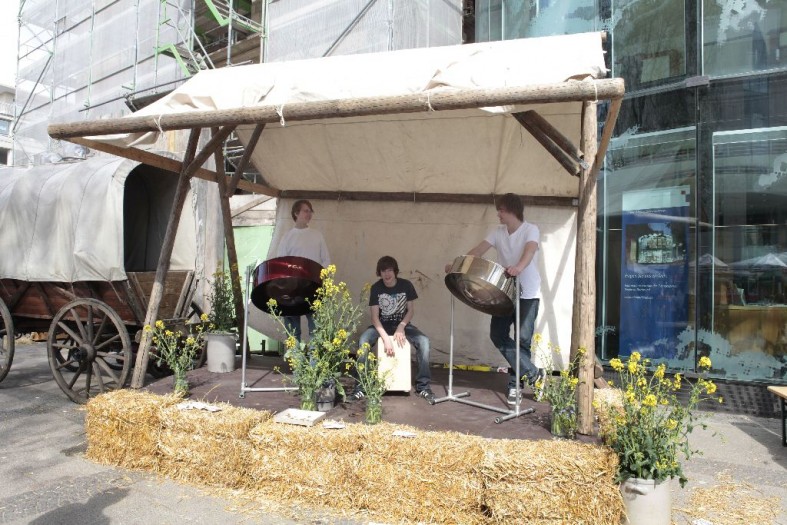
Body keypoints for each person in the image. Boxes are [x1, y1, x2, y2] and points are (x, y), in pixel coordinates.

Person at [445, 193, 545, 405]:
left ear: (512, 210)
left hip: (528, 292)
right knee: (497, 334)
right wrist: (457, 265)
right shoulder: (498, 232)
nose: (498, 214)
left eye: (501, 210)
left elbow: (530, 250)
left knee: (523, 340)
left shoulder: (531, 229)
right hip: (506, 292)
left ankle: (515, 385)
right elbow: (477, 251)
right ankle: (534, 374)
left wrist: (519, 267)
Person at [351, 256, 434, 402]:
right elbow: (375, 318)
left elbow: (410, 311)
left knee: (424, 342)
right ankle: (361, 388)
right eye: (383, 271)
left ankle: (423, 387)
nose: (387, 274)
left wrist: (401, 327)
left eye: (390, 270)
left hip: (402, 325)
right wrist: (386, 339)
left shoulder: (406, 285)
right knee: (363, 340)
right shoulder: (376, 288)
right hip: (381, 325)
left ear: (395, 271)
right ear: (379, 272)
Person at [276, 199, 330, 341]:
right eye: (306, 211)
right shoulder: (287, 237)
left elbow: (326, 260)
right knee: (293, 331)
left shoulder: (317, 235)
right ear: (296, 213)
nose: (309, 214)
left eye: (310, 211)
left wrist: (321, 279)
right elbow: (281, 264)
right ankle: (296, 356)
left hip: (314, 286)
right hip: (292, 288)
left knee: (316, 329)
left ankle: (314, 357)